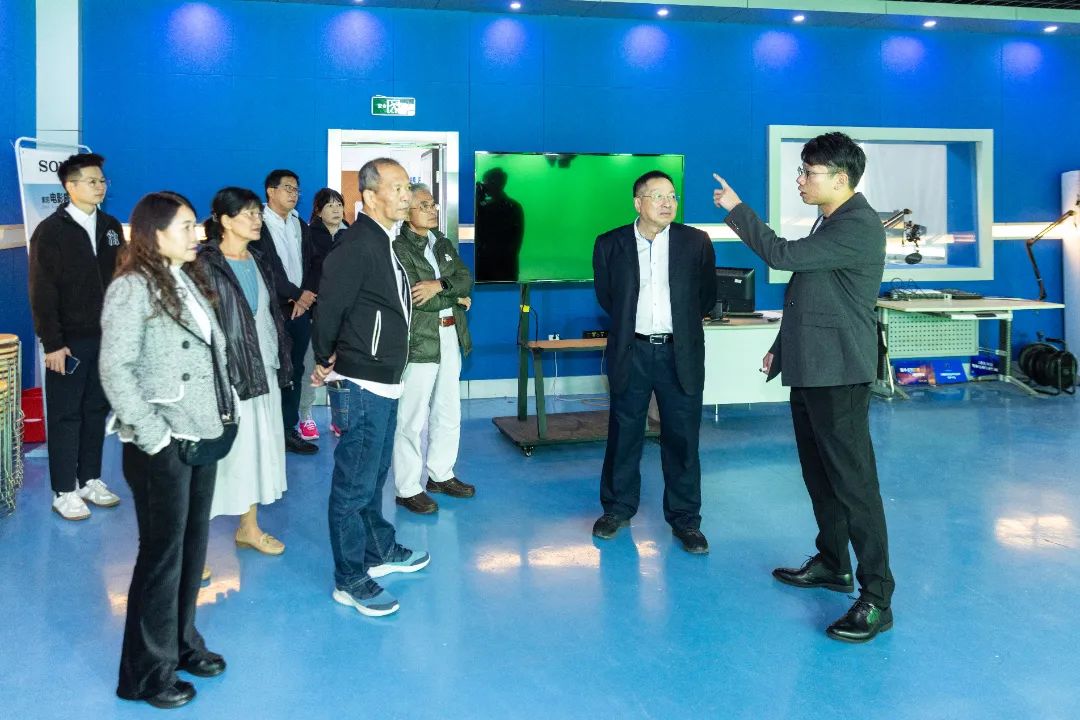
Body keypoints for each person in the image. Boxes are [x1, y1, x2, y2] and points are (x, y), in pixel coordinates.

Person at [712, 131, 895, 643]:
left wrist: (737, 210)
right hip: (814, 365)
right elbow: (812, 291)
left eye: (808, 172)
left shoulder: (857, 224)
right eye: (801, 170)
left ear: (841, 178)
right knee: (820, 475)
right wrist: (782, 344)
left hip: (839, 371)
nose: (800, 180)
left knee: (854, 485)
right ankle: (833, 562)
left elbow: (782, 256)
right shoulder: (831, 220)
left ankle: (878, 597)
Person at [100, 192, 229, 709]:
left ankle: (181, 642)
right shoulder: (131, 287)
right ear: (155, 234)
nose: (198, 234)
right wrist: (154, 436)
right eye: (187, 226)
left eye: (197, 225)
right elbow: (115, 369)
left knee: (192, 547)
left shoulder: (186, 278)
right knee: (161, 555)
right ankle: (147, 674)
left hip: (200, 433)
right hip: (161, 442)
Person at [311, 158, 430, 617]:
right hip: (362, 381)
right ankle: (349, 578)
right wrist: (325, 357)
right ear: (369, 196)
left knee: (374, 475)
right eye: (396, 188)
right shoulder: (357, 245)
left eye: (406, 187)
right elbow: (329, 309)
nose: (406, 195)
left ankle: (377, 550)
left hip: (385, 379)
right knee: (354, 484)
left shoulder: (385, 241)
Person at [591, 170, 716, 554]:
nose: (667, 203)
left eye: (672, 196)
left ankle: (685, 520)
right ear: (638, 202)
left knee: (682, 437)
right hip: (633, 350)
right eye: (658, 196)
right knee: (624, 432)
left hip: (680, 351)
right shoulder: (610, 243)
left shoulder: (695, 242)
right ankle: (617, 509)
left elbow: (706, 297)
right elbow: (607, 297)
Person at [28, 152, 123, 520]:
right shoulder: (51, 231)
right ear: (70, 186)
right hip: (68, 341)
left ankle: (89, 480)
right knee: (66, 414)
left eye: (102, 180)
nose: (100, 186)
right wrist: (52, 342)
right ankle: (64, 490)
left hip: (107, 337)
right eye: (92, 181)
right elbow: (42, 291)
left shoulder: (111, 226)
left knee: (95, 410)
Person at [198, 187, 292, 556]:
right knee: (218, 458)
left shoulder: (259, 259)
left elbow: (270, 317)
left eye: (258, 213)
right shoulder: (204, 264)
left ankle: (248, 527)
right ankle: (193, 545)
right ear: (224, 220)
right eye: (248, 214)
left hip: (263, 370)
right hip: (225, 377)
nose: (257, 220)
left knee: (256, 450)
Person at [391, 183, 474, 514]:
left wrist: (441, 285)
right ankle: (407, 487)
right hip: (420, 338)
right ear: (407, 211)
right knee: (411, 416)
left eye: (433, 204)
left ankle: (441, 474)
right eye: (424, 205)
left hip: (451, 334)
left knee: (448, 408)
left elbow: (465, 278)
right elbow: (416, 298)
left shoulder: (442, 242)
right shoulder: (398, 247)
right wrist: (456, 297)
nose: (432, 210)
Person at [249, 168, 317, 455]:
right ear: (270, 191)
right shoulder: (258, 224)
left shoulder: (299, 224)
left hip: (300, 311)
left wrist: (306, 295)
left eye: (296, 189)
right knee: (271, 369)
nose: (294, 194)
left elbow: (314, 263)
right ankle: (266, 431)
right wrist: (295, 294)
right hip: (272, 310)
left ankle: (288, 429)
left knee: (295, 369)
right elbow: (265, 268)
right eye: (288, 188)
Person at [298, 188, 349, 441]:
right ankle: (305, 416)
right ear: (318, 211)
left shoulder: (351, 235)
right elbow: (304, 272)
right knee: (312, 366)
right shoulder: (308, 235)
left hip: (344, 314)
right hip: (315, 312)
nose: (336, 209)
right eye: (329, 205)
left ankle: (340, 418)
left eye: (339, 204)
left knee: (341, 368)